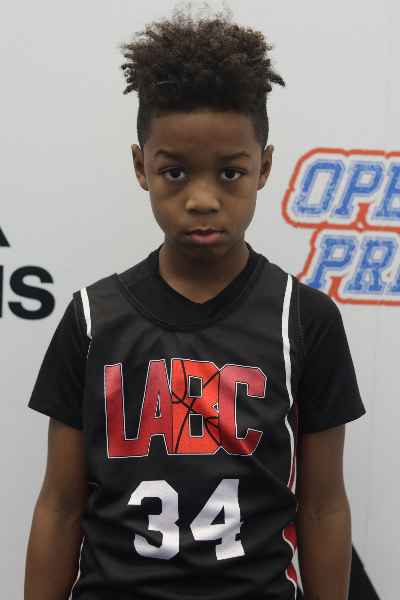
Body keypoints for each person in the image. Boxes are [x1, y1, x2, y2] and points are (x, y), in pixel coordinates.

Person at [24, 6, 365, 600]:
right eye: (175, 172)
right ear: (141, 167)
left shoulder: (304, 319)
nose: (202, 199)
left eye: (230, 174)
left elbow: (322, 508)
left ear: (264, 167)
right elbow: (58, 505)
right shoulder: (91, 320)